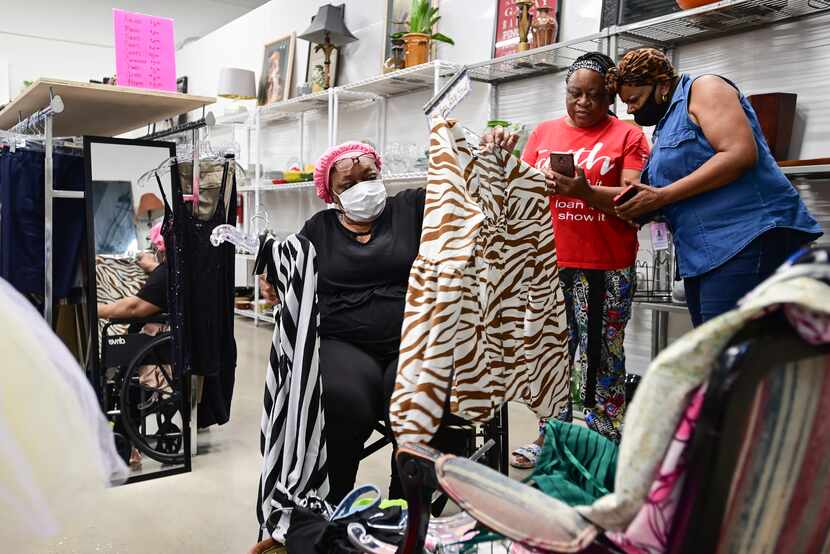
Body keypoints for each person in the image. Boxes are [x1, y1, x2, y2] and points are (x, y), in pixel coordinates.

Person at [486, 52, 651, 461]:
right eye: (575, 93)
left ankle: (602, 444)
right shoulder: (543, 133)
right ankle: (552, 438)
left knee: (601, 356)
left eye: (594, 95)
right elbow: (517, 193)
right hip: (547, 264)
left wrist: (583, 191)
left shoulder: (628, 136)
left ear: (609, 96)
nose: (582, 103)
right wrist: (499, 160)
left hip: (605, 265)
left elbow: (635, 197)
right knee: (550, 355)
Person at [261, 141, 430, 503]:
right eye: (348, 184)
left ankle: (406, 510)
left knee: (415, 402)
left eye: (369, 177)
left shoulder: (410, 207)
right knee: (344, 401)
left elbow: (456, 192)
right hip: (343, 340)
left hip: (411, 337)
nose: (363, 188)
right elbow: (287, 273)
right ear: (331, 195)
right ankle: (337, 505)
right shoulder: (318, 228)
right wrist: (272, 281)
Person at [609, 47, 822, 327]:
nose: (631, 109)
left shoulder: (705, 88)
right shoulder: (665, 127)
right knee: (714, 354)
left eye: (634, 99)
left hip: (744, 240)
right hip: (704, 256)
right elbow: (647, 194)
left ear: (662, 85)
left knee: (728, 356)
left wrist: (663, 196)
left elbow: (739, 154)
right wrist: (582, 191)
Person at [98, 222, 167, 322]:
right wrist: (153, 266)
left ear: (159, 248)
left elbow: (133, 308)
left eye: (153, 247)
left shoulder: (164, 274)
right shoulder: (175, 271)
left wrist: (98, 310)